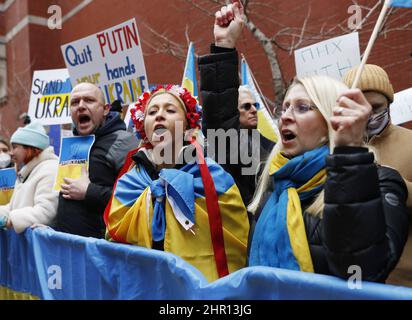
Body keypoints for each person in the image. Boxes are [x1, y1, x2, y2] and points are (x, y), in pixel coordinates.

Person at [198, 2, 409, 282]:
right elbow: (222, 137)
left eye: (302, 107)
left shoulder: (380, 182)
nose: (285, 116)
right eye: (284, 107)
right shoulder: (270, 177)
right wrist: (224, 47)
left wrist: (347, 156)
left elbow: (359, 268)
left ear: (331, 121)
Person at [104, 84, 249, 282]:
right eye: (152, 112)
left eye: (170, 110)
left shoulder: (213, 177)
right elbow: (114, 247)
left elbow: (233, 243)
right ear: (143, 126)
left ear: (188, 127)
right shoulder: (128, 182)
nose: (159, 115)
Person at [343, 64, 412, 286]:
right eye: (360, 107)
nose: (369, 115)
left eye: (376, 106)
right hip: (356, 280)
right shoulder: (338, 152)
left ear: (389, 104)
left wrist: (394, 185)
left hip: (403, 280)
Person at [54, 83, 138, 238]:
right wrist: (50, 226)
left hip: (101, 252)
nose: (80, 106)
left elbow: (137, 199)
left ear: (106, 109)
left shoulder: (123, 142)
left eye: (89, 100)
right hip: (66, 246)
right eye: (74, 102)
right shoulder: (72, 144)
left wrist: (89, 192)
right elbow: (64, 195)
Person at [201, 64, 274, 206]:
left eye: (255, 105)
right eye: (246, 106)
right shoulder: (218, 151)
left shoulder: (274, 147)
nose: (253, 110)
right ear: (232, 113)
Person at [0, 122, 58, 232]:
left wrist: (10, 220)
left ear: (30, 148)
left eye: (15, 147)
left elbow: (46, 212)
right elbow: (13, 208)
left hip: (40, 248)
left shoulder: (50, 169)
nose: (11, 153)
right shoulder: (27, 172)